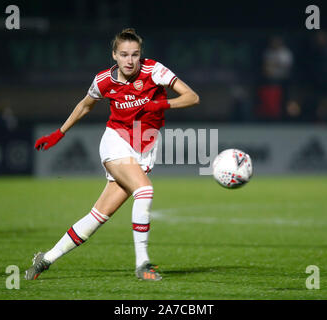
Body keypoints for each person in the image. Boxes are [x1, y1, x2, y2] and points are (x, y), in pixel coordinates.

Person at [24, 28, 200, 281]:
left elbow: (192, 97)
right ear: (114, 55)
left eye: (135, 55)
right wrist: (60, 133)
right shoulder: (104, 80)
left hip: (146, 148)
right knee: (145, 190)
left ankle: (47, 258)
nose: (130, 60)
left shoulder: (155, 71)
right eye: (124, 55)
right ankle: (143, 264)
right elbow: (86, 104)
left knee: (99, 216)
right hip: (115, 142)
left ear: (141, 55)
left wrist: (161, 103)